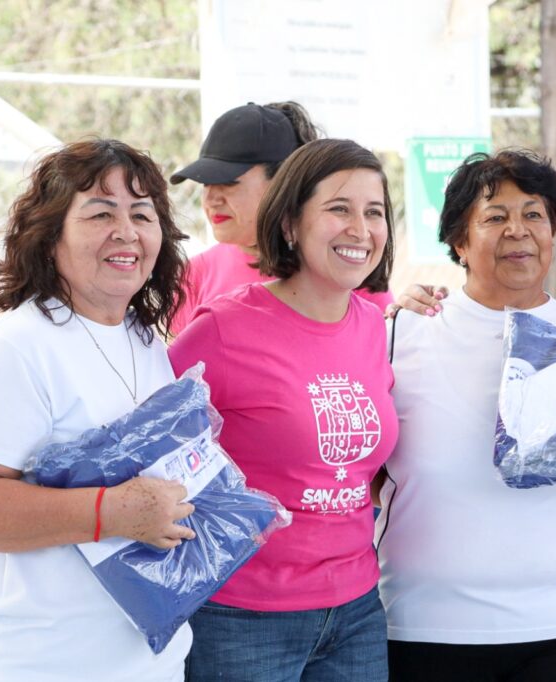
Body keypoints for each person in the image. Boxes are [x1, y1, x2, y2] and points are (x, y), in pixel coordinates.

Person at [376, 150, 556, 682]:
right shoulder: (401, 337)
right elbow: (367, 477)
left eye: (534, 214)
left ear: (554, 232)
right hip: (429, 627)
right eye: (494, 217)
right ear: (459, 243)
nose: (518, 231)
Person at [0, 139, 196, 682]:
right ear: (50, 236)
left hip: (151, 662)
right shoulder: (15, 348)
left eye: (142, 214)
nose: (127, 231)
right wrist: (111, 513)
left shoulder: (142, 339)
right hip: (39, 665)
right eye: (100, 213)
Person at [169, 138, 398, 681]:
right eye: (339, 209)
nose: (360, 230)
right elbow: (150, 450)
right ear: (291, 224)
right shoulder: (222, 330)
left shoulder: (377, 327)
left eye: (374, 212)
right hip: (242, 617)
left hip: (358, 609)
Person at [169, 101, 393, 335]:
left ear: (284, 182)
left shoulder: (344, 267)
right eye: (206, 183)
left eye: (228, 182)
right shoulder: (192, 275)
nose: (211, 198)